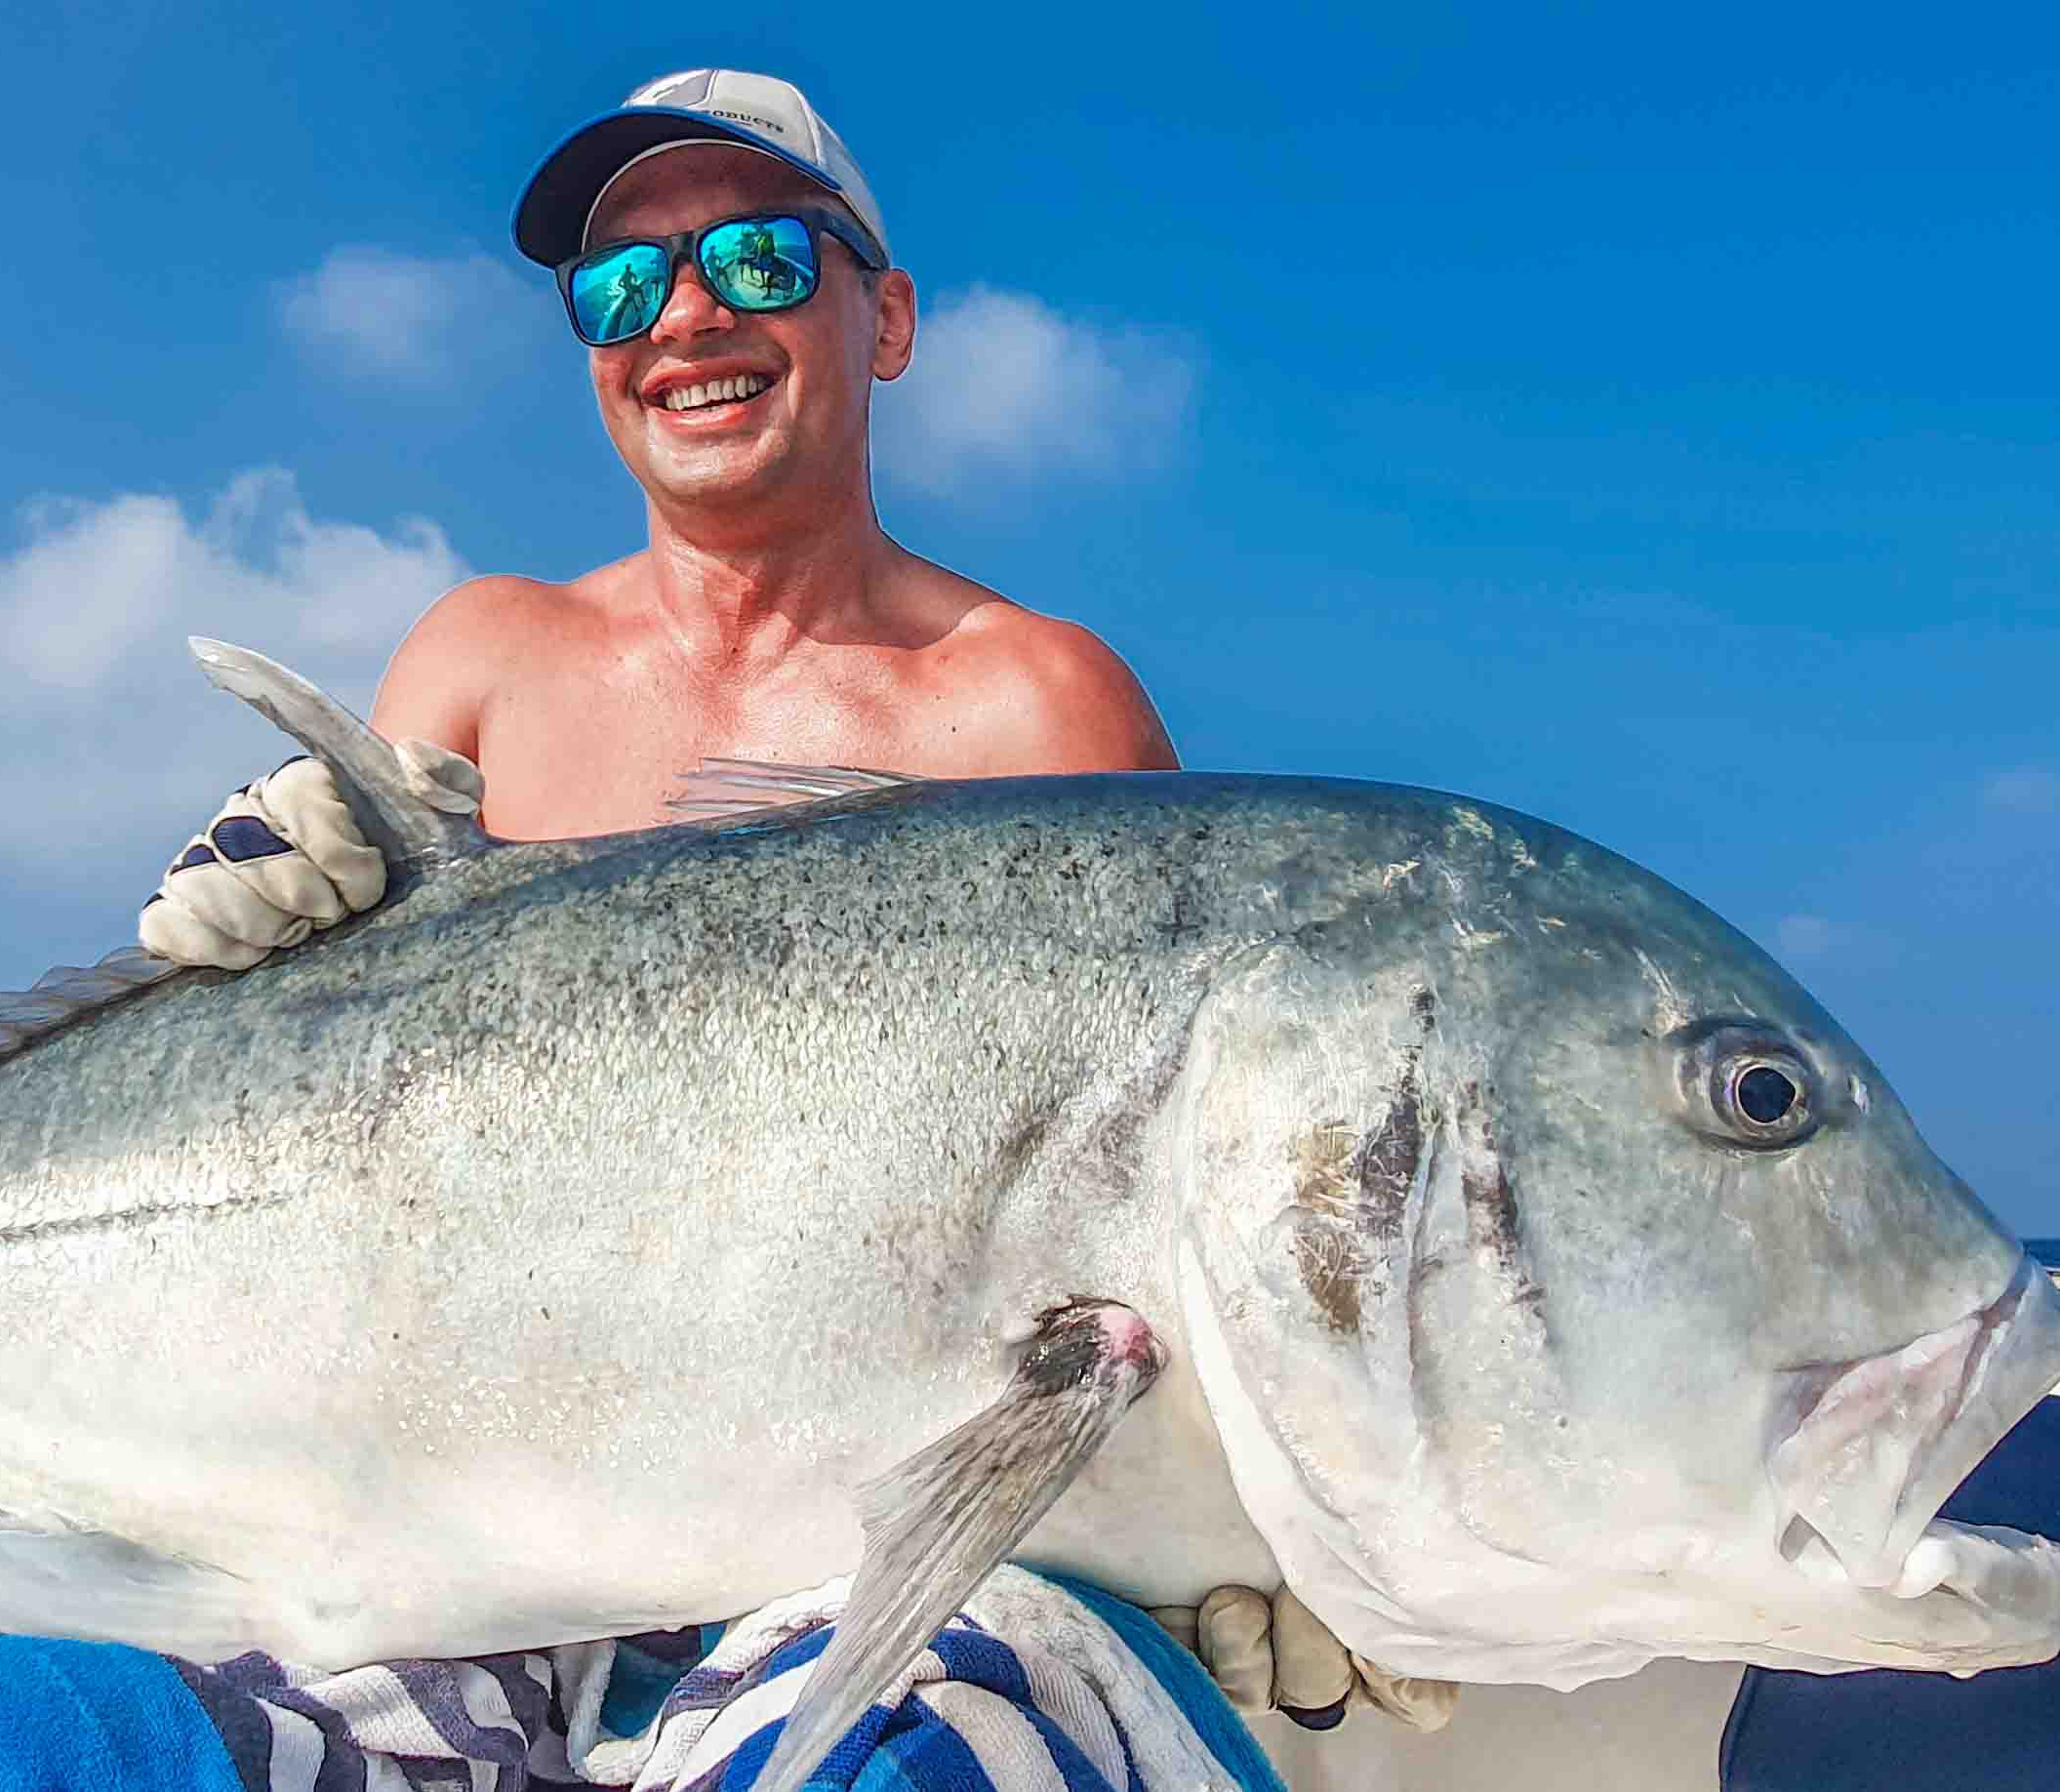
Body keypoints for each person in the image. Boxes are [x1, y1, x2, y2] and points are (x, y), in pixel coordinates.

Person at [134, 69, 1439, 1736]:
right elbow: (331, 1117)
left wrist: (1249, 1534)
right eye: (620, 286)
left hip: (873, 1561)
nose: (682, 315)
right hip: (477, 1525)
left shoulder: (1034, 705)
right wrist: (243, 941)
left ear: (882, 318)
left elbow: (1159, 1191)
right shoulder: (485, 659)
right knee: (9, 1726)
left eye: (754, 260)